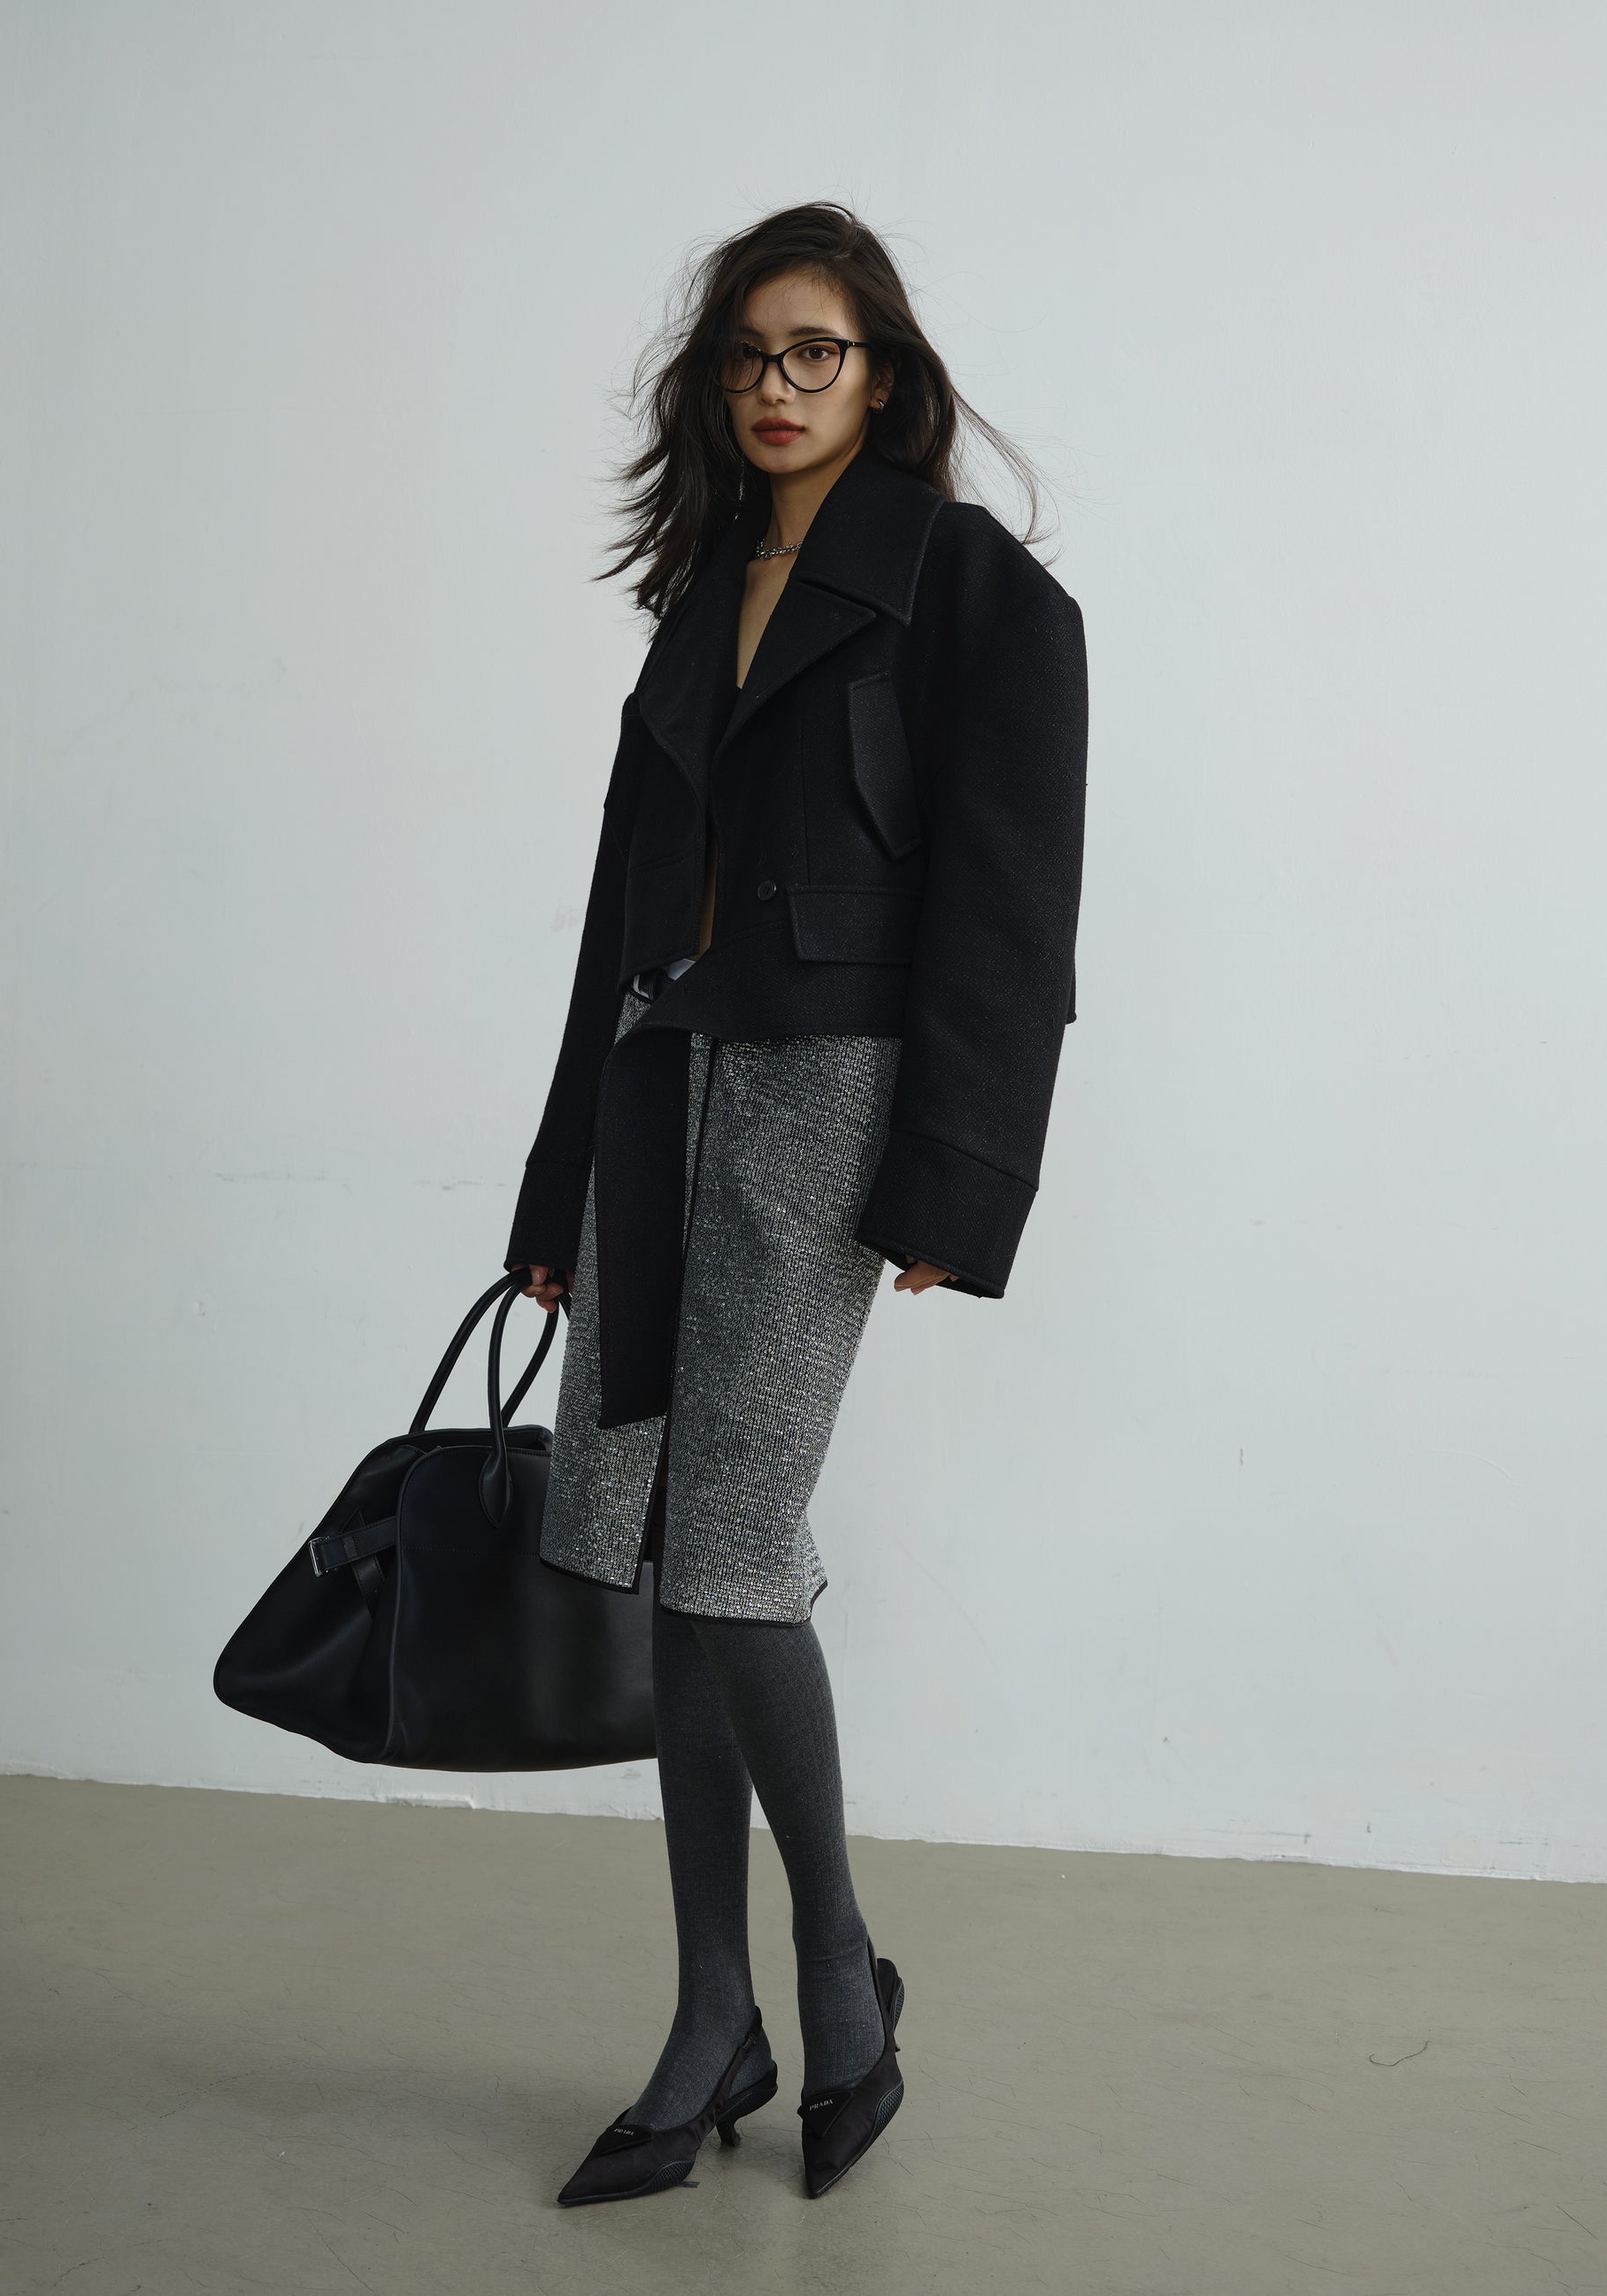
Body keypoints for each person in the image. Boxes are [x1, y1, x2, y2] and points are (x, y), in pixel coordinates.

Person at [505, 199, 1088, 2204]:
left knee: (733, 1545)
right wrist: (554, 1189)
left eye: (813, 350)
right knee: (663, 1549)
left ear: (882, 371)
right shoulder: (700, 589)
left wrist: (956, 1174)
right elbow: (618, 916)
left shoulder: (973, 589)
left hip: (829, 1096)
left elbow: (1010, 910)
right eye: (749, 353)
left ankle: (834, 1977)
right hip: (653, 1081)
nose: (776, 385)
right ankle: (715, 2014)